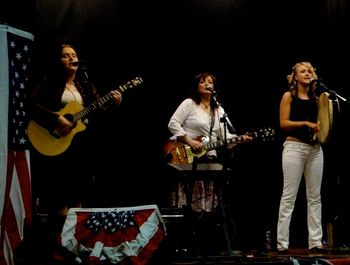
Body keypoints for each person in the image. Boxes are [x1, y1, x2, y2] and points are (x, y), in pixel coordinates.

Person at [28, 43, 122, 260]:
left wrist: (112, 102)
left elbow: (96, 108)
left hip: (80, 148)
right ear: (58, 61)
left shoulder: (85, 85)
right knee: (60, 199)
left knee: (78, 196)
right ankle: (56, 248)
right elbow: (31, 106)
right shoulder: (49, 83)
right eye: (66, 56)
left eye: (74, 55)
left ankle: (75, 247)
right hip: (57, 147)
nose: (72, 58)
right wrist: (55, 119)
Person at [167, 72, 252, 255]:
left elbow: (224, 139)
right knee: (190, 203)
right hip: (187, 157)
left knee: (210, 206)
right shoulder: (189, 103)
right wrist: (190, 141)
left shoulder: (218, 110)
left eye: (211, 81)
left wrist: (240, 139)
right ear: (196, 85)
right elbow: (173, 124)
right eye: (203, 81)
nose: (207, 84)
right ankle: (187, 244)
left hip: (209, 159)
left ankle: (207, 246)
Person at [277, 61, 327, 254]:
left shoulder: (318, 98)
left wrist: (321, 129)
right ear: (295, 77)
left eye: (309, 71)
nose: (307, 73)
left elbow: (324, 122)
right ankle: (282, 243)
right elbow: (283, 123)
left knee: (315, 197)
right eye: (303, 71)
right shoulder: (289, 96)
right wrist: (306, 123)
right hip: (294, 148)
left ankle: (315, 241)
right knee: (289, 196)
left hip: (315, 149)